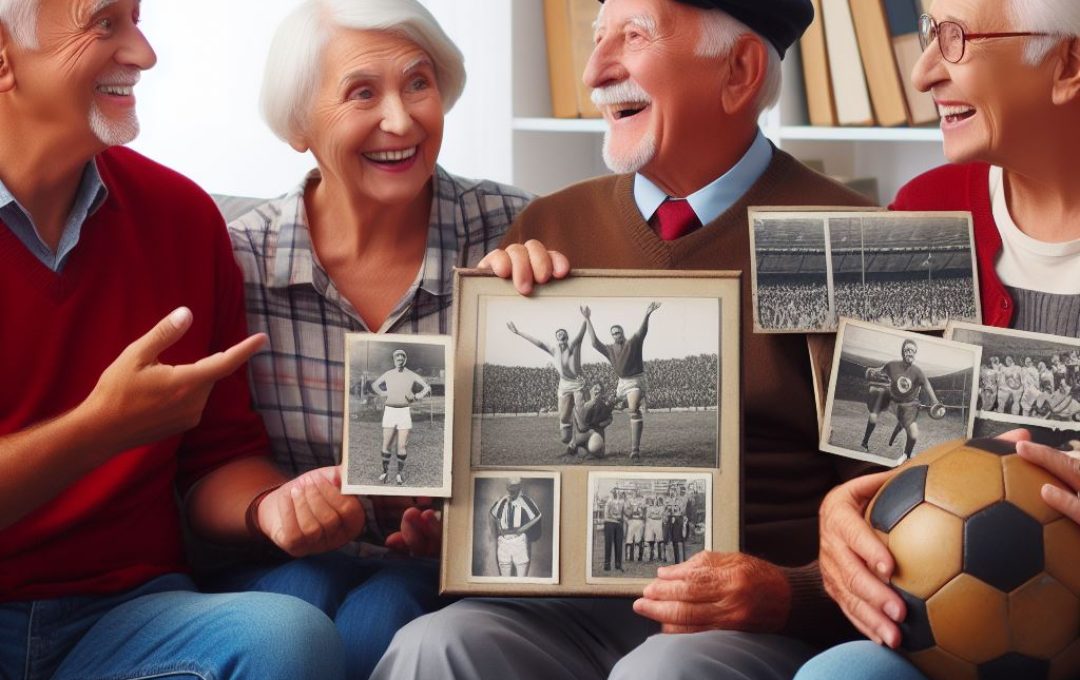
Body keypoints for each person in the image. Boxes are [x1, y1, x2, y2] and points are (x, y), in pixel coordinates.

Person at [373, 1, 877, 679]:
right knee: (436, 644)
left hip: (745, 624)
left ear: (740, 70)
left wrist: (790, 593)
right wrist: (463, 522)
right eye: (596, 36)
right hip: (564, 610)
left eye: (633, 37)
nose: (593, 71)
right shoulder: (549, 222)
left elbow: (904, 507)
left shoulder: (858, 242)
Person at [0, 0, 369, 677]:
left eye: (137, 21)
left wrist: (273, 506)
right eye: (104, 23)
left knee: (288, 635)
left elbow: (218, 457)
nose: (144, 54)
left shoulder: (181, 219)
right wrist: (96, 429)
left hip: (122, 617)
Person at [221, 0, 531, 677]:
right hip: (290, 561)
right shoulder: (237, 259)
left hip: (449, 576)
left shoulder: (519, 231)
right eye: (363, 92)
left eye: (418, 83)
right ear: (300, 124)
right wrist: (276, 509)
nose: (401, 119)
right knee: (295, 596)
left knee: (381, 612)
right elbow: (200, 462)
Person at [802, 0, 1080, 676]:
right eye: (928, 33)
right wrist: (844, 513)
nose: (924, 71)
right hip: (940, 637)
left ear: (1069, 63)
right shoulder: (923, 209)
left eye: (955, 38)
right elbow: (873, 465)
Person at [583, 302, 660, 459]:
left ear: (622, 333)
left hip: (636, 381)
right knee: (604, 407)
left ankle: (635, 450)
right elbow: (594, 342)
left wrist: (647, 314)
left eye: (618, 332)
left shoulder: (632, 343)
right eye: (613, 333)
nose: (616, 335)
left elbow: (642, 331)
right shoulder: (610, 349)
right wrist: (587, 318)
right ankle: (592, 438)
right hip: (622, 383)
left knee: (633, 409)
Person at [507, 320, 588, 445]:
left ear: (567, 337)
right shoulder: (554, 350)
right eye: (558, 334)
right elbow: (538, 343)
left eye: (563, 333)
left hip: (578, 384)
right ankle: (571, 432)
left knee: (583, 424)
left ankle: (582, 434)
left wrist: (586, 318)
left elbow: (581, 333)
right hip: (564, 385)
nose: (560, 334)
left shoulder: (574, 346)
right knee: (564, 433)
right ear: (556, 338)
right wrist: (518, 332)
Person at [859, 338, 942, 460]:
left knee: (913, 434)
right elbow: (878, 371)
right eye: (907, 350)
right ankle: (864, 442)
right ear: (902, 352)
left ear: (915, 354)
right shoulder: (891, 365)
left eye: (913, 351)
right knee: (873, 414)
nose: (910, 352)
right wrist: (871, 371)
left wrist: (936, 402)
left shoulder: (918, 372)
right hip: (891, 398)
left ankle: (906, 456)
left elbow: (928, 386)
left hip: (907, 405)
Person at [371, 349, 431, 485]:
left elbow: (426, 387)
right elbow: (375, 385)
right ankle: (385, 472)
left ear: (405, 359)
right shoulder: (388, 374)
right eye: (397, 357)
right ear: (394, 359)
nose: (399, 359)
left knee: (402, 445)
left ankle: (399, 473)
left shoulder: (411, 374)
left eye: (402, 357)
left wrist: (417, 396)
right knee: (386, 444)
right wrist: (383, 393)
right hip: (390, 411)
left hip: (404, 412)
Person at [490, 477, 543, 577]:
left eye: (514, 487)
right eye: (509, 487)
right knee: (504, 579)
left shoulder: (525, 501)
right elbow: (494, 514)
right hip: (503, 543)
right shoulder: (503, 500)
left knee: (521, 578)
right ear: (507, 487)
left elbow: (538, 516)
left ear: (519, 487)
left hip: (518, 541)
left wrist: (523, 529)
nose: (511, 490)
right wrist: (499, 528)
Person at [567, 383, 617, 459]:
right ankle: (579, 448)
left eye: (599, 390)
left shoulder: (603, 405)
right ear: (590, 391)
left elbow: (608, 419)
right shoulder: (584, 404)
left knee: (596, 450)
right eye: (595, 389)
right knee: (579, 448)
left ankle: (588, 450)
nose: (597, 391)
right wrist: (592, 401)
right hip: (585, 433)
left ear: (602, 393)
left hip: (596, 435)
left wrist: (606, 421)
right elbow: (581, 425)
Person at [603, 486, 627, 572]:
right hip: (609, 523)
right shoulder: (609, 501)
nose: (617, 493)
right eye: (615, 492)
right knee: (608, 544)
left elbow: (625, 513)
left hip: (619, 524)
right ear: (612, 493)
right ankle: (607, 564)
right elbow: (606, 515)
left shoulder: (622, 502)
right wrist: (616, 517)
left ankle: (618, 564)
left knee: (619, 544)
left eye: (618, 492)